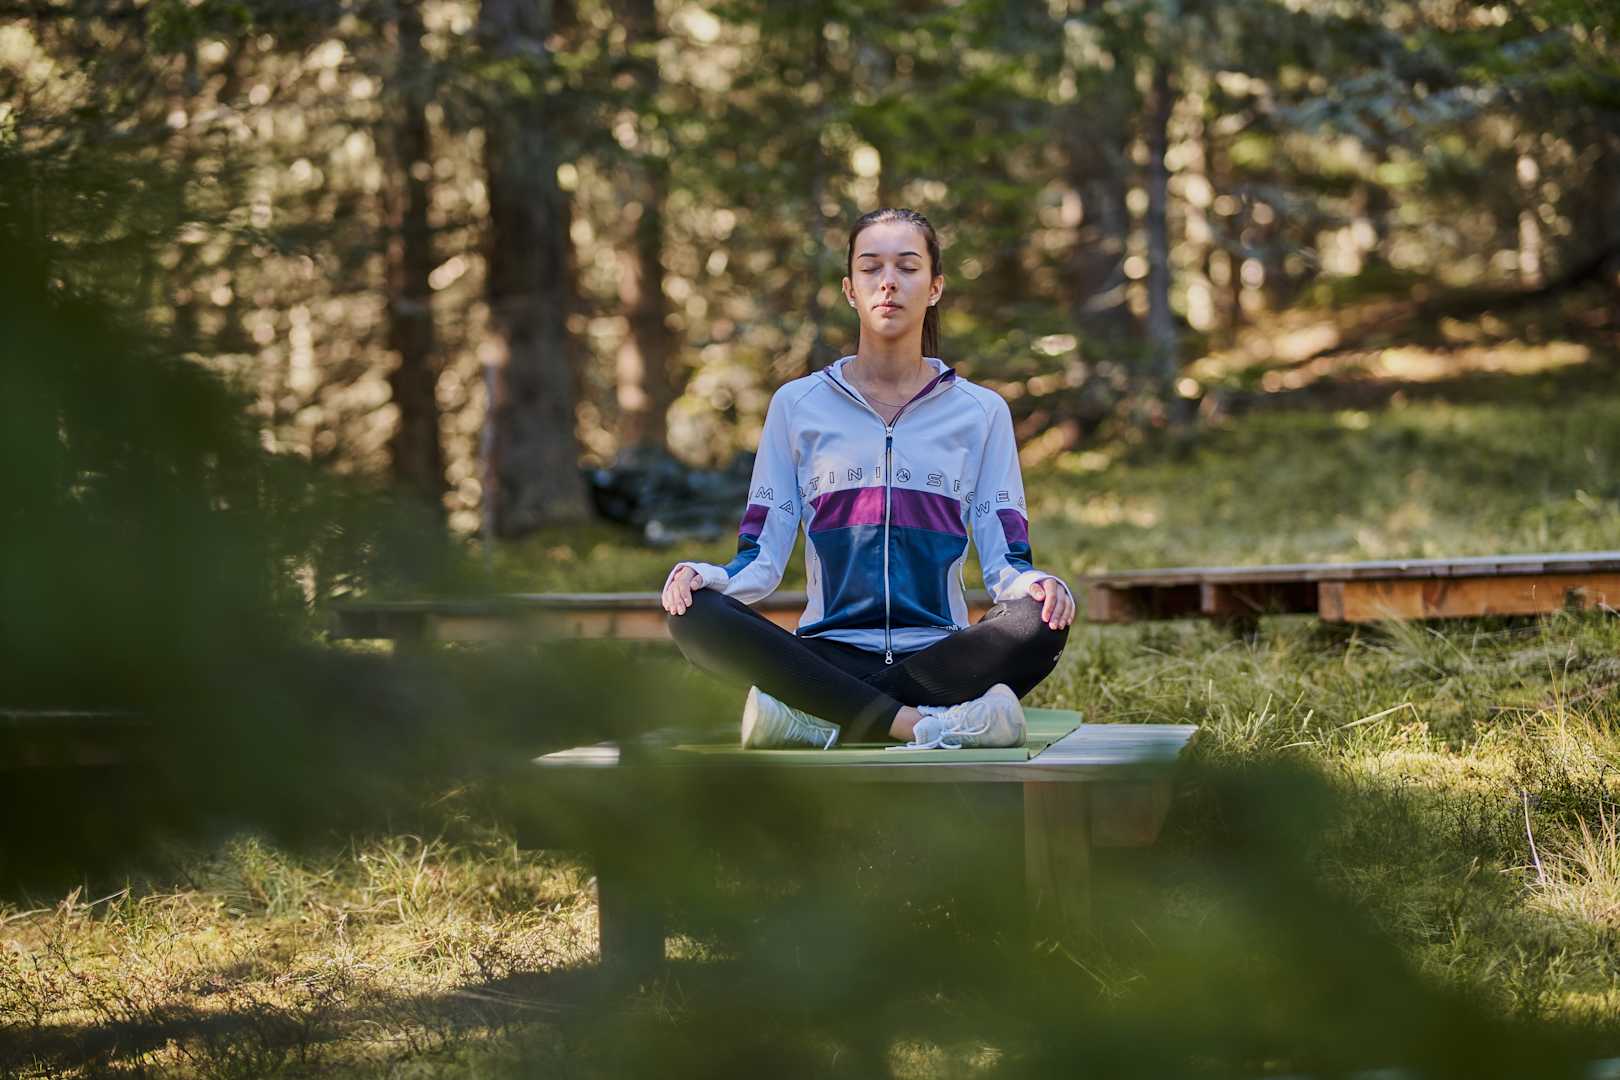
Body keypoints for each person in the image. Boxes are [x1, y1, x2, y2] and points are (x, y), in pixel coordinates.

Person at [661, 207, 1075, 750]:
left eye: (908, 267)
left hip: (938, 654)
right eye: (871, 267)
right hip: (827, 650)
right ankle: (922, 724)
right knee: (694, 613)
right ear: (849, 290)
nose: (888, 282)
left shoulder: (981, 411)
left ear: (935, 287)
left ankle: (817, 715)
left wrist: (1036, 585)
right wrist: (710, 577)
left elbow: (1007, 559)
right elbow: (760, 555)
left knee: (1042, 619)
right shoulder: (797, 405)